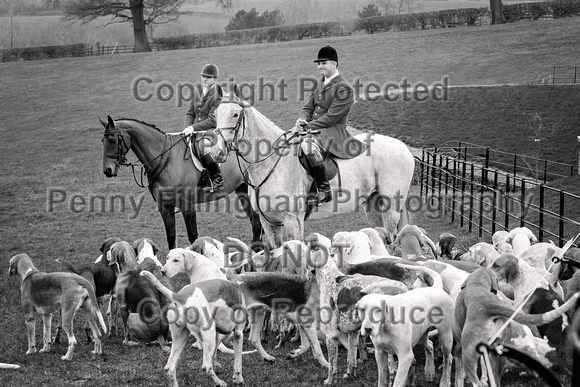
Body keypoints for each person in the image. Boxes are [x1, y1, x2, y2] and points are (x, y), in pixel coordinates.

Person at [294, 45, 367, 206]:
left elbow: (331, 118)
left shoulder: (344, 88)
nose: (320, 66)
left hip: (333, 131)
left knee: (307, 145)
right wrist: (302, 120)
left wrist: (308, 127)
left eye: (324, 63)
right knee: (290, 142)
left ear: (334, 64)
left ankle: (324, 189)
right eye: (318, 63)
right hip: (315, 127)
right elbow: (308, 107)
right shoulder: (318, 83)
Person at [182, 63, 224, 191]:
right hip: (194, 130)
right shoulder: (197, 92)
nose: (205, 79)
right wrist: (186, 128)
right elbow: (190, 113)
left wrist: (193, 128)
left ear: (215, 79)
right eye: (203, 76)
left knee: (203, 147)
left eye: (208, 77)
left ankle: (217, 179)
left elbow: (212, 120)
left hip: (210, 131)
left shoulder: (218, 95)